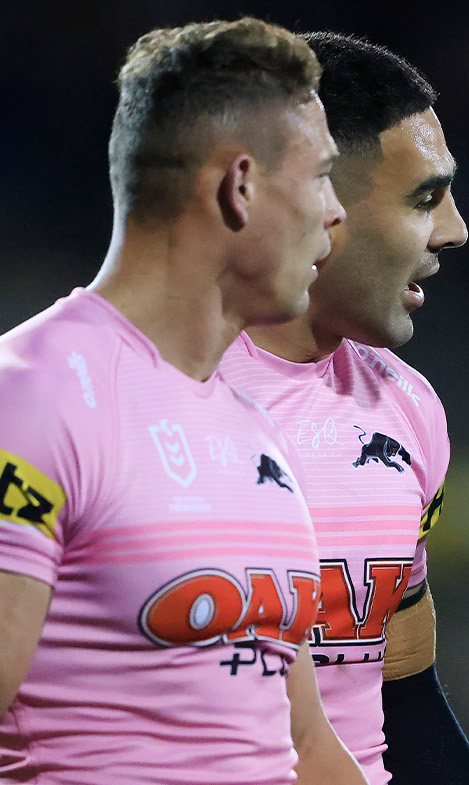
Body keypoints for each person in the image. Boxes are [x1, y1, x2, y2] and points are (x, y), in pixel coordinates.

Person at [0, 18, 368, 785]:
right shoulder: (34, 395)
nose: (337, 212)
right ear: (240, 186)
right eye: (322, 176)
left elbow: (305, 744)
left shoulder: (256, 434)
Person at [217, 32, 469, 785]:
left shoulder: (405, 406)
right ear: (318, 199)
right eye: (424, 198)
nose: (455, 230)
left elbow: (405, 697)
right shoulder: (133, 400)